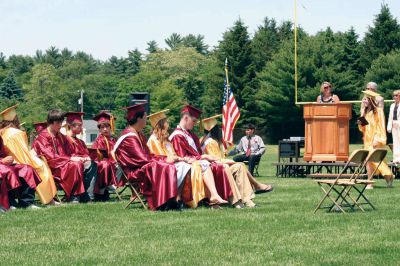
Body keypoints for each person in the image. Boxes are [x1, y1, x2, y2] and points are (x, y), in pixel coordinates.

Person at [147, 109, 228, 208]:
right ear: (160, 124)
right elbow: (159, 157)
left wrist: (181, 159)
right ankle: (179, 198)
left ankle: (210, 197)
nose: (168, 124)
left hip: (174, 163)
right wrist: (181, 159)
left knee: (195, 165)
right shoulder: (153, 139)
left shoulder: (166, 139)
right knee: (189, 166)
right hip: (163, 167)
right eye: (165, 122)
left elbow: (173, 154)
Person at [113, 103, 179, 211]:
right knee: (161, 165)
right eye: (145, 117)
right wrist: (164, 159)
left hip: (140, 167)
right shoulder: (129, 137)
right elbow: (142, 159)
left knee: (164, 164)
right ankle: (162, 203)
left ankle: (168, 200)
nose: (146, 119)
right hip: (133, 172)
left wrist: (163, 158)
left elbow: (148, 155)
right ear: (139, 118)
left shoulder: (138, 134)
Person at [200, 115, 273, 207]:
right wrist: (230, 160)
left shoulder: (203, 140)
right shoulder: (211, 142)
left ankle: (249, 198)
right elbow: (216, 160)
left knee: (240, 165)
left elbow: (262, 148)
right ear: (215, 129)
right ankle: (251, 193)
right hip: (215, 170)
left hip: (251, 156)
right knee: (239, 165)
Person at [169, 105, 235, 208]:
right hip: (182, 165)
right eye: (194, 121)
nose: (195, 124)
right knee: (206, 164)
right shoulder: (177, 135)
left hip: (194, 163)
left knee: (211, 164)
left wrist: (204, 157)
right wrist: (203, 157)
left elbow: (195, 154)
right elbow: (183, 156)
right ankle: (214, 197)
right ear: (186, 118)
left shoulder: (188, 134)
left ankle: (215, 199)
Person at [0, 105, 58, 206]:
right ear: (15, 119)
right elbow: (23, 155)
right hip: (12, 162)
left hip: (11, 162)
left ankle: (26, 203)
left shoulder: (3, 133)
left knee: (28, 168)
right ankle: (48, 200)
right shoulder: (16, 133)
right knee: (39, 167)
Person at [33, 109, 86, 202]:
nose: (60, 125)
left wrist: (81, 157)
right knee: (75, 165)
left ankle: (81, 195)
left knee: (82, 163)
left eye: (61, 122)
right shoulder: (43, 138)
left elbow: (71, 151)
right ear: (51, 122)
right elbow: (50, 157)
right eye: (58, 123)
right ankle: (73, 196)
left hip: (63, 165)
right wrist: (70, 159)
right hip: (52, 168)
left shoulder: (60, 136)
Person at [358, 90, 394, 188]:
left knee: (376, 161)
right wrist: (361, 113)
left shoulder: (378, 111)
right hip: (367, 141)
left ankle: (388, 176)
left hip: (376, 140)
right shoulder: (365, 112)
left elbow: (381, 126)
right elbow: (362, 128)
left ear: (370, 100)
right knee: (368, 161)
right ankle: (370, 182)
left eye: (365, 99)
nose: (363, 101)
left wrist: (377, 139)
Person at [64, 112, 98, 201]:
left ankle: (88, 196)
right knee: (80, 165)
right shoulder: (64, 140)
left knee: (93, 164)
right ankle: (77, 196)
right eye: (78, 125)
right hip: (68, 166)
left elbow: (85, 153)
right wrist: (76, 158)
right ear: (70, 126)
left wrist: (87, 157)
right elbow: (63, 155)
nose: (81, 128)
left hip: (82, 163)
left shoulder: (80, 142)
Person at [0, 137, 41, 209]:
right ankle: (10, 203)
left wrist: (8, 159)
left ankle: (27, 202)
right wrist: (2, 161)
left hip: (3, 164)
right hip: (2, 166)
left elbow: (2, 154)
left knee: (27, 169)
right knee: (8, 171)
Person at [91, 111, 118, 199]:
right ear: (99, 129)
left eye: (107, 126)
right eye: (102, 127)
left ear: (111, 127)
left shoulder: (114, 139)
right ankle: (108, 185)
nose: (105, 129)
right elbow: (97, 157)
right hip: (103, 167)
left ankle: (112, 184)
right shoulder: (99, 140)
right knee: (106, 165)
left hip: (115, 164)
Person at [387, 90, 400, 164]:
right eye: (393, 95)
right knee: (395, 143)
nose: (394, 97)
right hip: (394, 125)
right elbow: (390, 117)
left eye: (396, 95)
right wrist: (389, 127)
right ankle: (396, 159)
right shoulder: (392, 105)